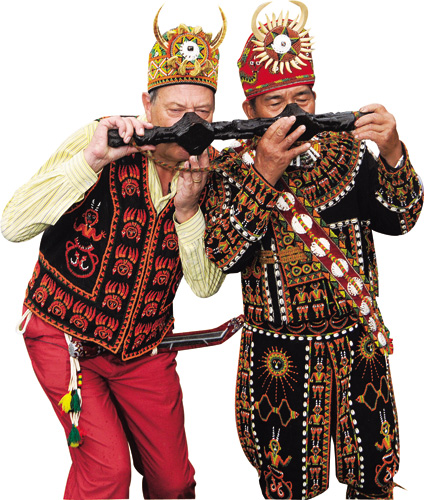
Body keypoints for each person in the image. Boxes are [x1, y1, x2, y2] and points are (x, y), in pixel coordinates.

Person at [1, 7, 227, 500]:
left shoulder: (215, 171)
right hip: (64, 337)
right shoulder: (100, 139)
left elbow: (206, 286)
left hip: (145, 350)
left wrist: (189, 211)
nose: (190, 123)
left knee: (174, 483)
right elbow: (12, 224)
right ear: (147, 104)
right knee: (106, 475)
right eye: (175, 110)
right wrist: (90, 161)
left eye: (204, 111)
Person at [204, 1, 423, 498]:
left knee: (375, 477)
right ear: (249, 111)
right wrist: (265, 172)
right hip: (277, 354)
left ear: (316, 97)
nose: (293, 113)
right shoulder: (230, 170)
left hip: (359, 343)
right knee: (287, 485)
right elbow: (224, 254)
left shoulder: (349, 153)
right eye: (275, 103)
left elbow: (403, 218)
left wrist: (392, 152)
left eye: (302, 97)